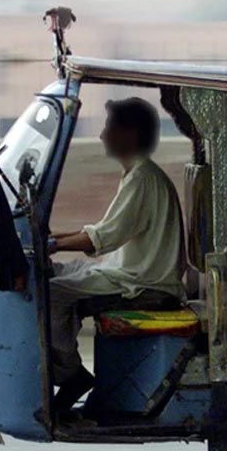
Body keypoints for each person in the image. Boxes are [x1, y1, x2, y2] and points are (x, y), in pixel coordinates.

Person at [47, 97, 185, 415]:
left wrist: (54, 243)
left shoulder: (142, 178)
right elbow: (105, 231)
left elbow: (105, 237)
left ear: (131, 134)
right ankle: (67, 368)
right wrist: (54, 239)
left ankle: (71, 375)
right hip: (129, 271)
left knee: (50, 293)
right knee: (55, 274)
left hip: (144, 282)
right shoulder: (137, 175)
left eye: (109, 127)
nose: (102, 135)